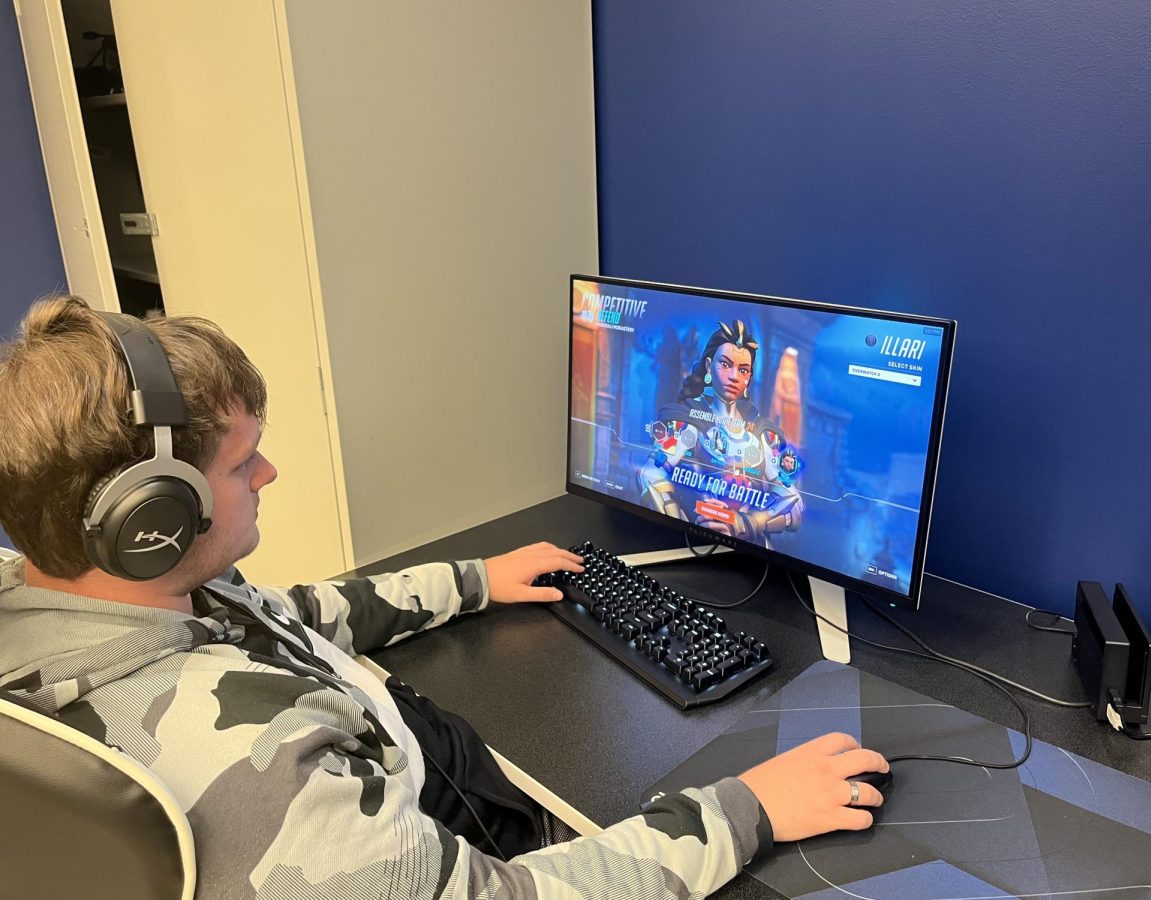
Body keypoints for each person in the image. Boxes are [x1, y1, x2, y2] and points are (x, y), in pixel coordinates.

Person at [0, 297, 888, 899]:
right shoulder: (257, 772)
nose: (270, 472)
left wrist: (474, 581)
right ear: (149, 519)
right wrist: (749, 808)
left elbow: (289, 614)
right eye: (242, 464)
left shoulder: (93, 600)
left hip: (412, 772)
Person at [640, 319, 804, 548]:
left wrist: (745, 523)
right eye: (725, 364)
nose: (734, 376)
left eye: (743, 370)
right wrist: (687, 523)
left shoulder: (762, 434)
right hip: (693, 547)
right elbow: (650, 476)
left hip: (754, 554)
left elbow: (793, 503)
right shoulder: (689, 420)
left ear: (748, 378)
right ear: (709, 366)